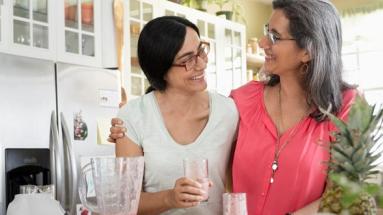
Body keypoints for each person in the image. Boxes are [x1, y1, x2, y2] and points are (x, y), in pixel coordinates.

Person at [110, 0, 358, 214]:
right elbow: (123, 202)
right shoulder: (242, 101)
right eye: (187, 59)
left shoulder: (346, 106)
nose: (262, 43)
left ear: (308, 51)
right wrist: (129, 128)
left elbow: (346, 194)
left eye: (274, 36)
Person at [113, 16, 238, 215]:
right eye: (187, 59)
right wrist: (169, 198)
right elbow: (125, 202)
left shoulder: (229, 112)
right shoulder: (133, 116)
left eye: (200, 51)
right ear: (161, 69)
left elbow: (239, 183)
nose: (201, 64)